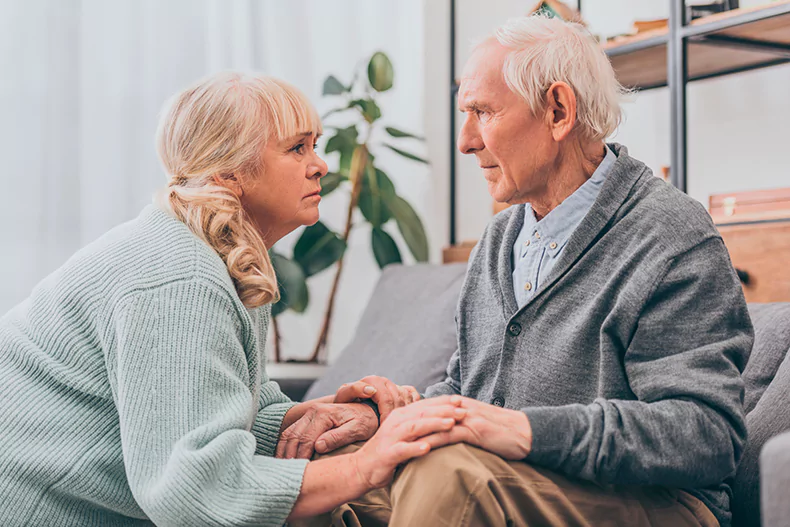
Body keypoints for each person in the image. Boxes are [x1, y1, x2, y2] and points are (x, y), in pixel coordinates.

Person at [297, 15, 752, 527]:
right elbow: (468, 395)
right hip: (511, 478)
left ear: (558, 111)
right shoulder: (501, 238)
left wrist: (524, 430)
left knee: (447, 475)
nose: (466, 141)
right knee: (322, 474)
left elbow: (705, 433)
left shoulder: (670, 233)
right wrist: (384, 421)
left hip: (658, 503)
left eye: (482, 112)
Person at [0, 72, 460, 527]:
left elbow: (214, 405)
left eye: (315, 146)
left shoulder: (220, 251)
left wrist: (305, 414)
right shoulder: (180, 279)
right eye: (297, 148)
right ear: (229, 173)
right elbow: (194, 491)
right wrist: (364, 466)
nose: (320, 165)